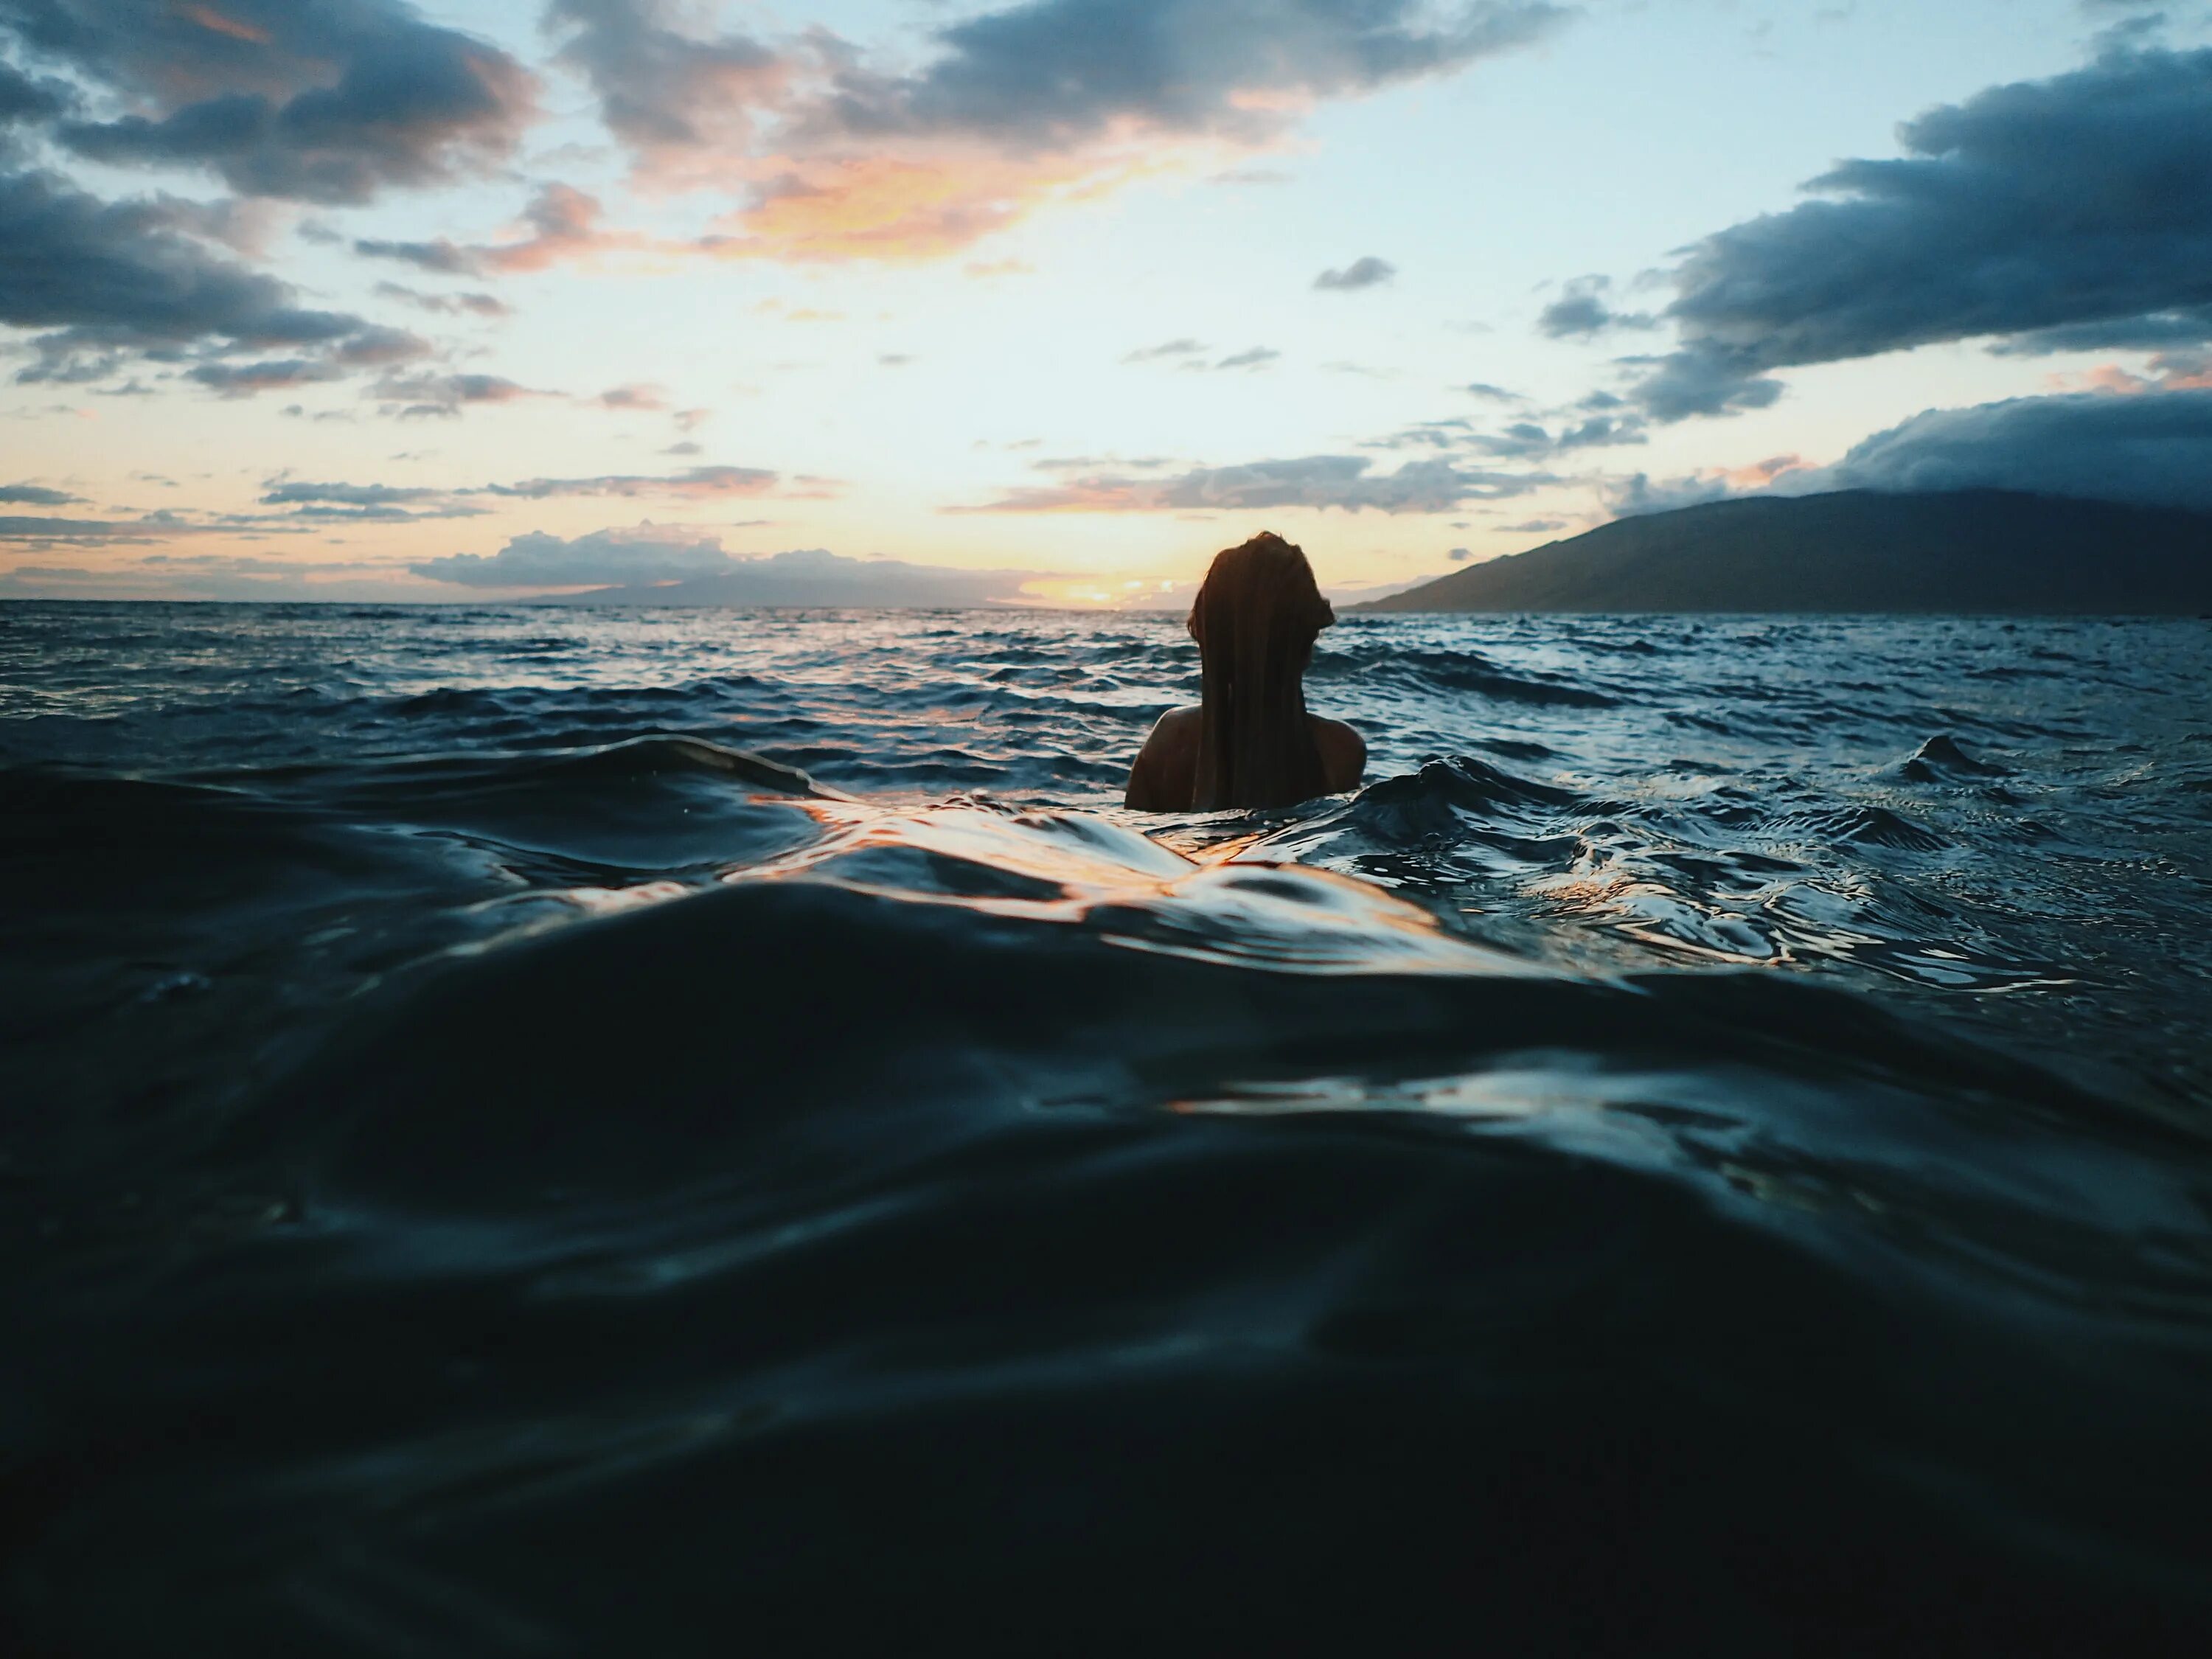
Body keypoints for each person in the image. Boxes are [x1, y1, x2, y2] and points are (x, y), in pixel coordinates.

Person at [1124, 532, 1366, 812]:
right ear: (1308, 640)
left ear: (1205, 635)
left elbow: (1121, 851)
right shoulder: (1340, 751)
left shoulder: (1168, 742)